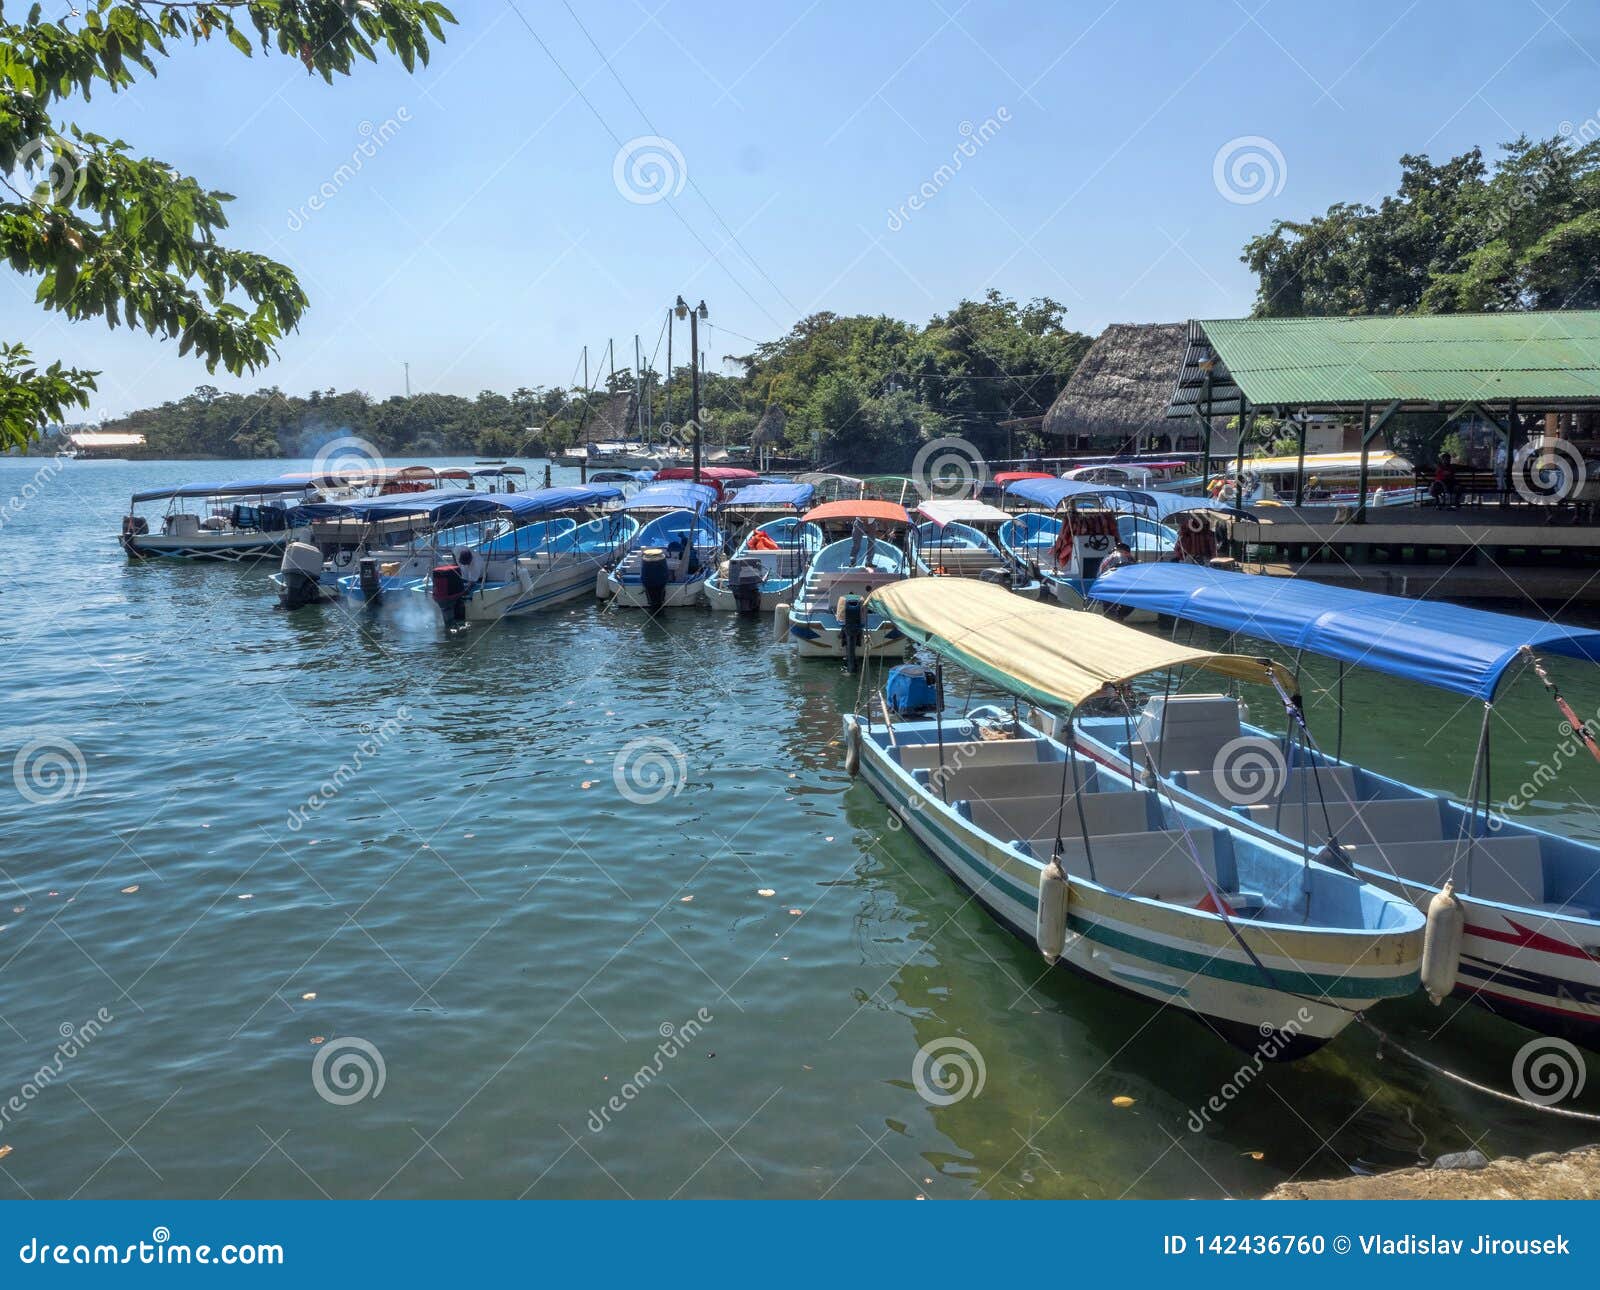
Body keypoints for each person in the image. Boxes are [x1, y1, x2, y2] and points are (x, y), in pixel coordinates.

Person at [1095, 541, 1137, 620]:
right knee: (1131, 601)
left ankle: (1112, 619)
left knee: (1109, 609)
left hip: (1101, 584)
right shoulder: (1120, 556)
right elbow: (1123, 568)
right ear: (1126, 552)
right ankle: (1118, 619)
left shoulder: (1108, 557)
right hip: (1113, 585)